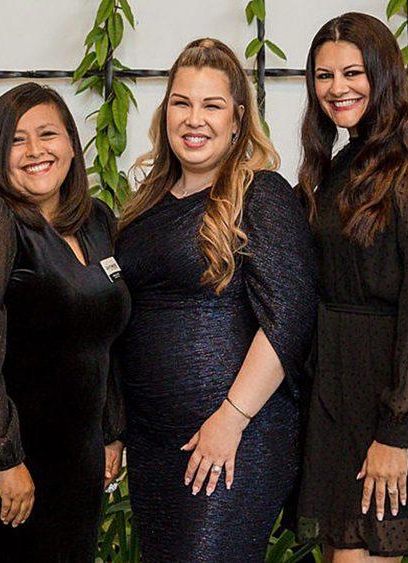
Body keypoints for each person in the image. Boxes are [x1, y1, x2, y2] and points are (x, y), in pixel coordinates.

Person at [113, 38, 317, 562]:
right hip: (155, 443)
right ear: (165, 113)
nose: (194, 119)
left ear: (237, 118)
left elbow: (288, 321)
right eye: (181, 103)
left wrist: (230, 419)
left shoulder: (261, 194)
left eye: (212, 105)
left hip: (235, 437)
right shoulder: (145, 204)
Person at [295, 13, 408, 561]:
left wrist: (398, 432)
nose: (337, 89)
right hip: (335, 394)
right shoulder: (339, 165)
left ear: (384, 73)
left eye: (352, 72)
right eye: (323, 76)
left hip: (390, 401)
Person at [0, 82, 131, 562]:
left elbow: (104, 339)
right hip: (10, 462)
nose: (35, 151)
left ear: (70, 143)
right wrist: (2, 457)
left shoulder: (96, 221)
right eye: (16, 140)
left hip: (76, 459)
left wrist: (110, 431)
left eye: (47, 134)